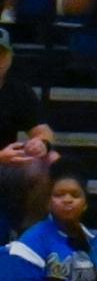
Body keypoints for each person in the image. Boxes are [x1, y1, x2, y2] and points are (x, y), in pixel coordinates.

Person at [0, 29, 59, 236]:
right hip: (3, 160)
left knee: (50, 160)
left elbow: (44, 131)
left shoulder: (19, 91)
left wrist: (42, 143)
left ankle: (32, 233)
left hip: (8, 166)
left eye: (1, 54)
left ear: (9, 58)